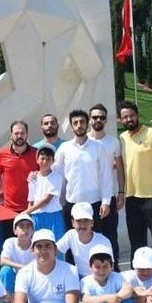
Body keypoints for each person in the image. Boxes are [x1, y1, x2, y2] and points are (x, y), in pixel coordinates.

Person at [118, 101, 152, 281]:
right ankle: (139, 273)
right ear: (120, 119)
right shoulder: (123, 138)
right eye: (125, 116)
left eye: (131, 115)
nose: (129, 119)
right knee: (136, 238)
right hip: (132, 196)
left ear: (137, 115)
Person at [54, 110, 115, 257]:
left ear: (87, 124)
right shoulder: (64, 148)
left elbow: (105, 176)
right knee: (71, 245)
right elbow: (56, 175)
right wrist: (37, 175)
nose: (79, 125)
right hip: (71, 203)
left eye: (82, 122)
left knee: (95, 244)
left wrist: (106, 202)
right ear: (71, 126)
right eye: (75, 123)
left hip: (94, 204)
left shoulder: (98, 147)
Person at [88, 103, 125, 266]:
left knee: (110, 236)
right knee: (90, 236)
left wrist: (121, 192)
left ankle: (114, 267)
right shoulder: (84, 141)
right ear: (89, 120)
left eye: (101, 117)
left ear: (106, 120)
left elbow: (120, 168)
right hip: (89, 197)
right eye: (95, 117)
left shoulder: (113, 142)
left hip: (108, 196)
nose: (98, 120)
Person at [56, 202, 114, 278]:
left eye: (86, 220)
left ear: (92, 222)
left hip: (99, 278)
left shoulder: (103, 241)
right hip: (78, 278)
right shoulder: (70, 235)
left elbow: (110, 268)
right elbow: (53, 251)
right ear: (73, 222)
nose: (83, 225)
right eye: (79, 221)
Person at [0, 121, 39, 215]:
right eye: (16, 133)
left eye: (22, 133)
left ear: (27, 134)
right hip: (10, 209)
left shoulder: (37, 153)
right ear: (11, 135)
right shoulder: (1, 155)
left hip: (32, 206)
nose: (19, 136)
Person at [25, 145, 66, 240]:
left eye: (48, 159)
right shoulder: (32, 177)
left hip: (53, 217)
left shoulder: (56, 177)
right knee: (37, 246)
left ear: (53, 161)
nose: (45, 162)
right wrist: (28, 216)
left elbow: (46, 200)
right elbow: (31, 200)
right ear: (37, 160)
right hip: (36, 218)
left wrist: (26, 212)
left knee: (56, 246)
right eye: (42, 158)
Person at [0, 213, 36, 299]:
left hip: (32, 277)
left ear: (33, 230)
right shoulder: (10, 242)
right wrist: (22, 267)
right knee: (5, 270)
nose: (25, 230)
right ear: (15, 231)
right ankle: (7, 301)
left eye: (28, 226)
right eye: (21, 226)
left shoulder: (36, 244)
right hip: (15, 277)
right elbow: (3, 261)